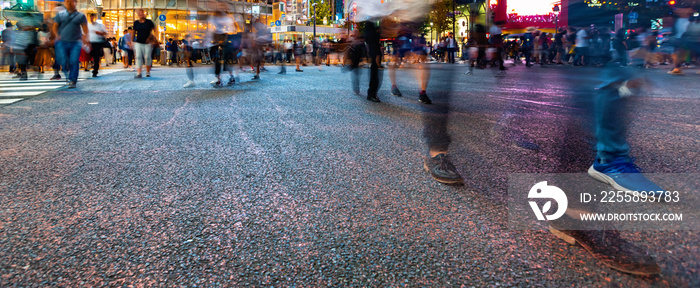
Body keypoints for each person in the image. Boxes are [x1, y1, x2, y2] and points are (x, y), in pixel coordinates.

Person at [52, 0, 88, 88]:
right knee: (63, 61)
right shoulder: (60, 15)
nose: (69, 3)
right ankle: (68, 75)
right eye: (67, 1)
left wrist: (86, 38)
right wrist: (57, 35)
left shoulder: (81, 16)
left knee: (74, 60)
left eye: (71, 1)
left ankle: (73, 79)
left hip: (76, 42)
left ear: (75, 3)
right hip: (62, 42)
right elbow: (55, 26)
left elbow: (85, 28)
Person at [132, 9, 156, 78]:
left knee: (147, 57)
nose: (141, 14)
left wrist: (154, 40)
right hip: (138, 42)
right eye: (139, 13)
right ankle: (139, 73)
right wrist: (131, 41)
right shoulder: (136, 23)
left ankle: (148, 72)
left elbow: (155, 30)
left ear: (144, 14)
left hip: (148, 43)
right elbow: (133, 32)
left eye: (142, 13)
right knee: (138, 57)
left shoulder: (149, 22)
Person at [87, 13, 107, 77]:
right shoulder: (88, 25)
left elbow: (105, 32)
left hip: (98, 42)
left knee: (96, 57)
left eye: (92, 17)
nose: (91, 19)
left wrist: (99, 33)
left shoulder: (100, 25)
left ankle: (95, 70)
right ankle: (92, 66)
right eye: (90, 17)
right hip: (90, 42)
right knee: (90, 55)